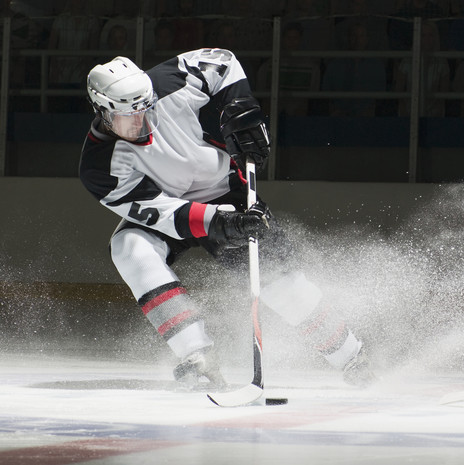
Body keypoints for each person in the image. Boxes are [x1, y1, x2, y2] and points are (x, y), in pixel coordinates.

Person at [79, 49, 375, 389]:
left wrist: (241, 108)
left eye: (144, 109)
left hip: (227, 191)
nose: (140, 121)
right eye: (127, 116)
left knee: (281, 286)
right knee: (129, 247)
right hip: (175, 210)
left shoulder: (167, 82)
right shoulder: (99, 167)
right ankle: (197, 357)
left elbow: (223, 60)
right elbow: (164, 213)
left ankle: (352, 357)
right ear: (101, 110)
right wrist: (221, 223)